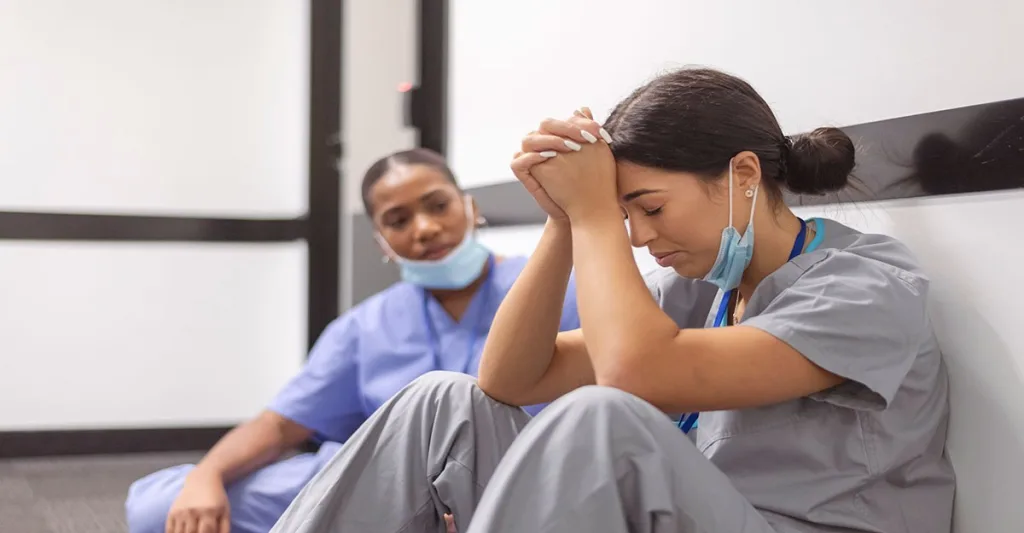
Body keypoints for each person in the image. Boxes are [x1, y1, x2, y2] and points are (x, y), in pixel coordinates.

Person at [267, 68, 955, 533]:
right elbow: (508, 378)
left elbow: (632, 379)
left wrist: (595, 211)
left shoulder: (865, 284)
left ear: (743, 173)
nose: (638, 235)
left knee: (600, 418)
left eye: (649, 207)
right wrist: (564, 220)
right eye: (625, 214)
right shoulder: (703, 288)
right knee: (440, 402)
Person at [124, 148, 581, 533]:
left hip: (514, 478)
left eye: (437, 205)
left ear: (470, 207)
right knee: (162, 507)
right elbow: (282, 424)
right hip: (392, 485)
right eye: (398, 220)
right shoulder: (365, 326)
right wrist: (208, 475)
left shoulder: (555, 287)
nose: (423, 228)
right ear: (382, 241)